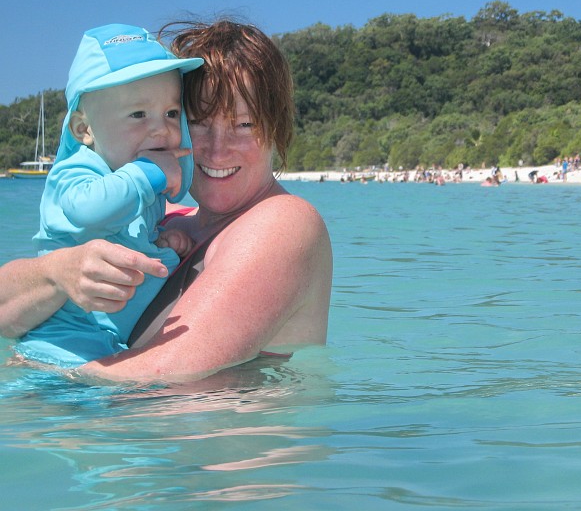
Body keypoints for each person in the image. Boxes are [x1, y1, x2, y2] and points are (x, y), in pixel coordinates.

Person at [0, 19, 333, 383]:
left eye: (245, 125)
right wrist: (58, 271)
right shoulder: (165, 222)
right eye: (200, 122)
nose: (218, 149)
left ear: (277, 128)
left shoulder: (282, 223)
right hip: (132, 433)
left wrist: (43, 376)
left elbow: (173, 371)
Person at [14, 24, 204, 368]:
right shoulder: (76, 172)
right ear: (83, 130)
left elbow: (122, 231)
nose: (161, 128)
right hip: (59, 347)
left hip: (106, 345)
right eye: (138, 114)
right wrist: (148, 173)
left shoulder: (133, 182)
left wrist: (160, 240)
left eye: (172, 114)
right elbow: (91, 211)